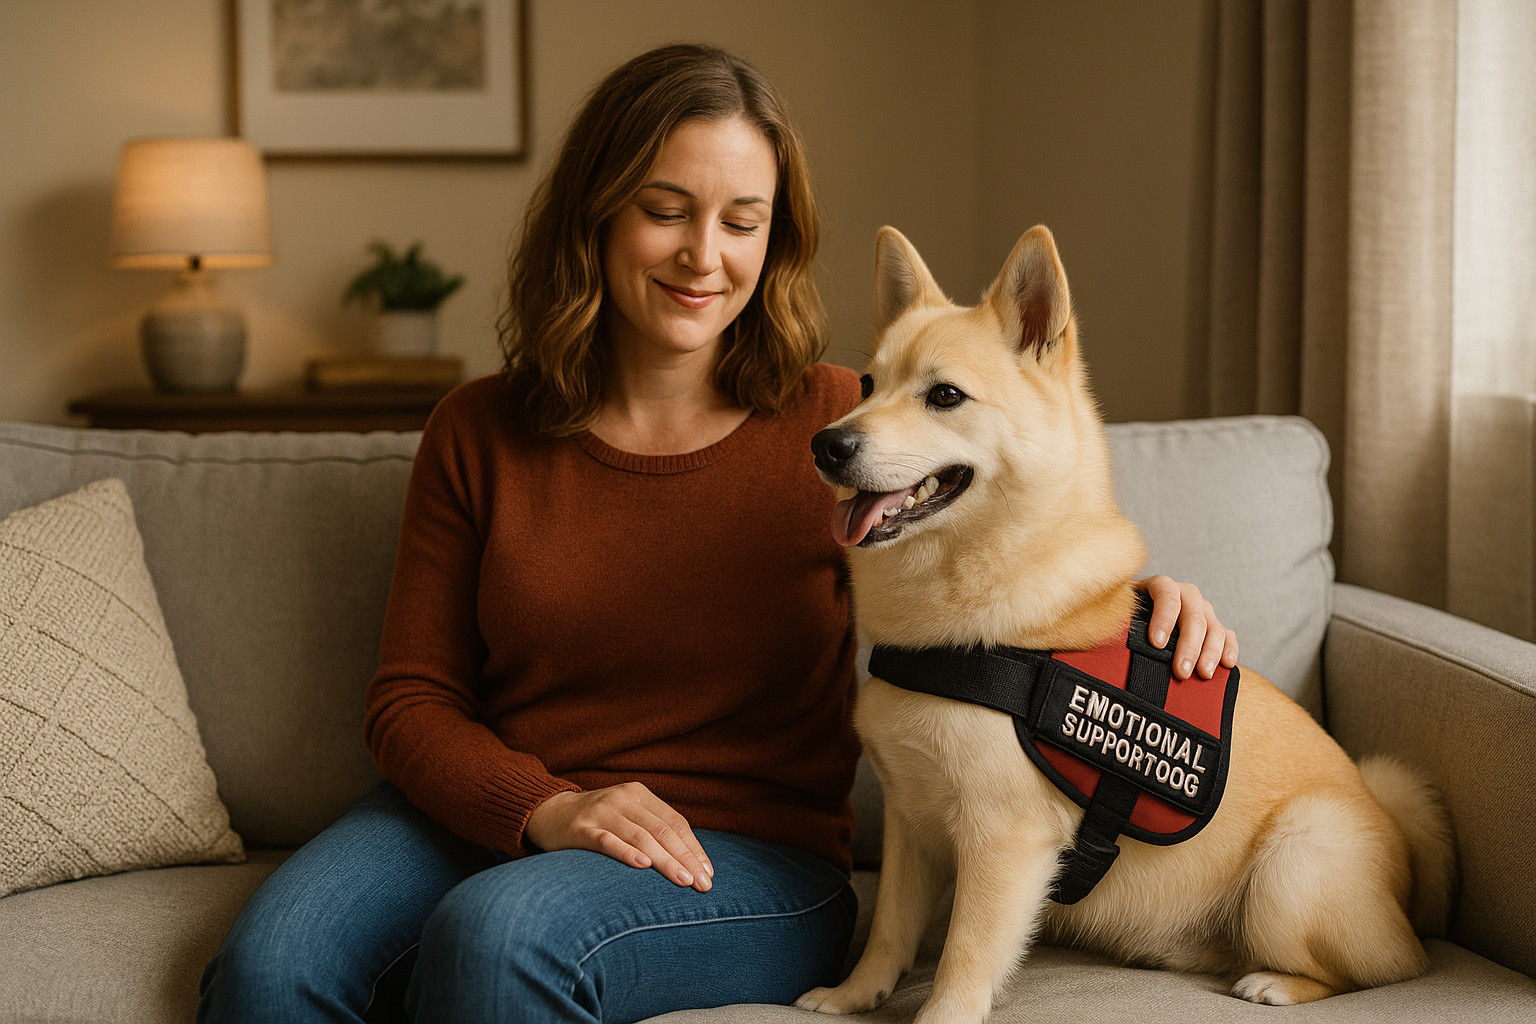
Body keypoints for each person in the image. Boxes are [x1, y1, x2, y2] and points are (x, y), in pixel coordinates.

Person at [197, 43, 1238, 1024]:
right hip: (502, 806)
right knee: (269, 966)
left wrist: (1146, 606)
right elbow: (410, 700)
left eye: (745, 220)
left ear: (774, 238)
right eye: (666, 210)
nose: (706, 254)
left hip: (748, 851)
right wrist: (548, 808)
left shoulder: (845, 426)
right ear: (595, 216)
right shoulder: (478, 430)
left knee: (500, 937)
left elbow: (1015, 537)